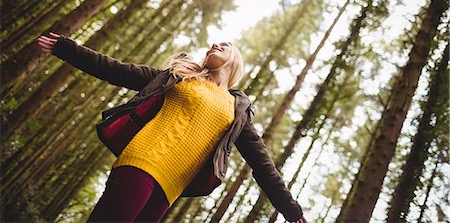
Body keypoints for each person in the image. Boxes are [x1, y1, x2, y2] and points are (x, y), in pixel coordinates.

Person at [37, 31, 307, 223]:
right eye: (213, 43)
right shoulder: (178, 78)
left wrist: (291, 210)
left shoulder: (237, 111)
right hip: (141, 163)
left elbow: (263, 165)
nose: (214, 44)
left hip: (170, 190)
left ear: (236, 61)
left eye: (224, 44)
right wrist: (66, 48)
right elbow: (115, 69)